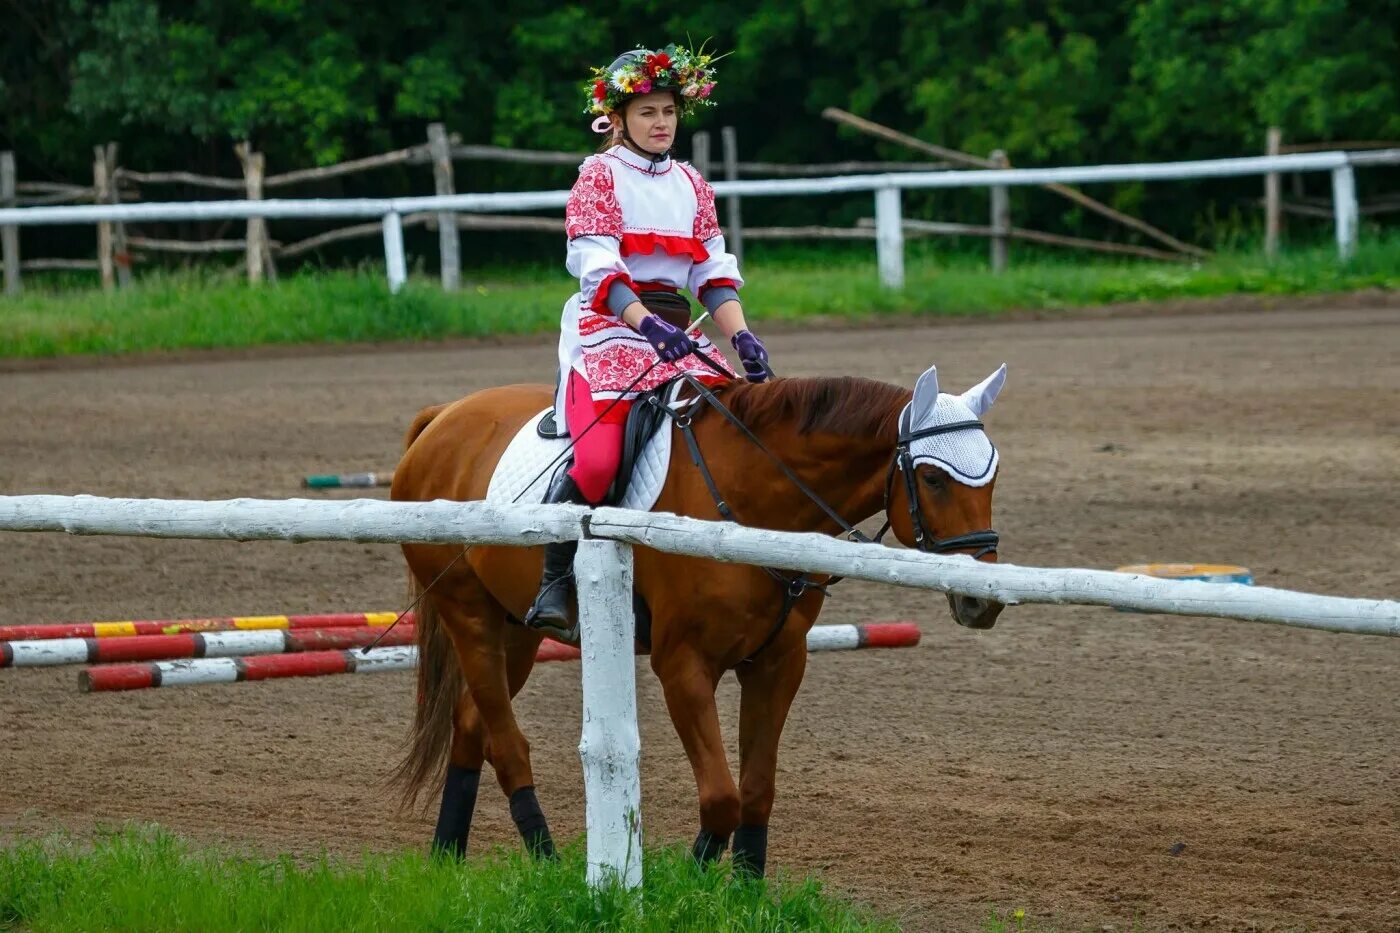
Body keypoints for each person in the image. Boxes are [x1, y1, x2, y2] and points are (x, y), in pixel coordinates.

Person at [524, 44, 772, 634]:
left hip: (678, 335)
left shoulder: (692, 183)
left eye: (668, 112)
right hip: (611, 329)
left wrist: (742, 338)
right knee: (600, 459)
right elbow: (597, 267)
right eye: (647, 113)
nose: (661, 124)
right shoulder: (599, 175)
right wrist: (646, 323)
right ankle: (553, 582)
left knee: (734, 429)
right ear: (619, 118)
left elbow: (712, 274)